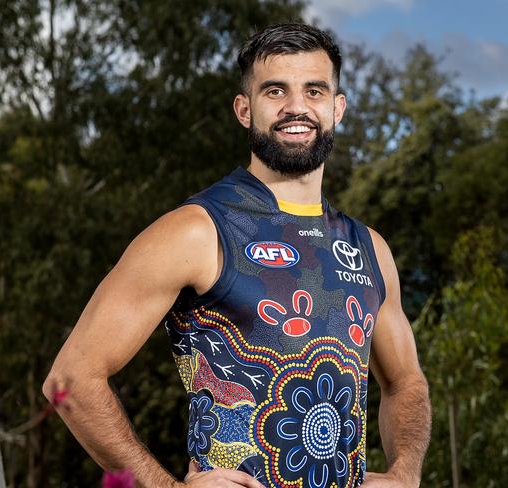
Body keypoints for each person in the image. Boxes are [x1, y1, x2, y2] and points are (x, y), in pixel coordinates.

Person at [43, 23, 431, 488]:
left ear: (337, 107)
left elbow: (406, 382)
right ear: (244, 109)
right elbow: (70, 381)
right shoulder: (196, 230)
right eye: (275, 90)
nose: (296, 107)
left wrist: (406, 474)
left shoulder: (369, 248)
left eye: (314, 90)